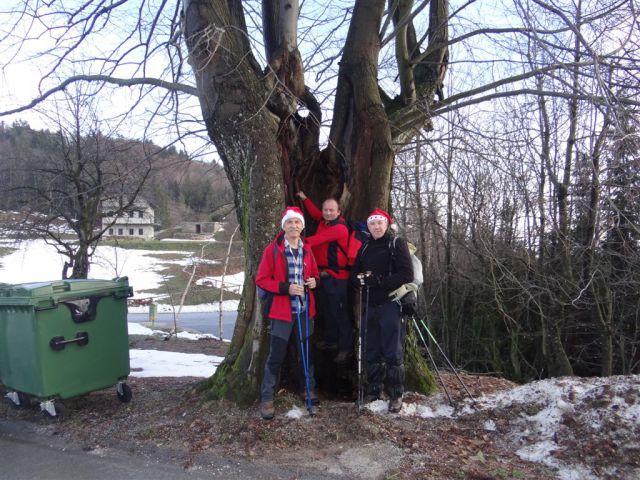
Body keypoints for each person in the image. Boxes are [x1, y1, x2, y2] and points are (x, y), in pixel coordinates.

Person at [256, 206, 320, 420]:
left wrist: (314, 281)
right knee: (276, 356)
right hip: (282, 312)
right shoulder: (273, 250)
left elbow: (315, 275)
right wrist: (286, 288)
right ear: (284, 226)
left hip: (304, 310)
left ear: (302, 226)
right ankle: (267, 397)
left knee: (306, 354)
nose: (294, 226)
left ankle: (308, 389)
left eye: (297, 223)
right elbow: (262, 280)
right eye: (290, 223)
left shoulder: (307, 250)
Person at [351, 208, 413, 413]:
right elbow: (354, 273)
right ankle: (374, 390)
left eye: (379, 223)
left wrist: (379, 281)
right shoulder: (366, 246)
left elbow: (406, 273)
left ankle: (396, 394)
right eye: (372, 224)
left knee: (392, 351)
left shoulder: (396, 243)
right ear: (368, 227)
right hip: (370, 304)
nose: (376, 227)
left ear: (386, 224)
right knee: (372, 349)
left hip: (390, 303)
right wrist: (361, 279)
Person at [296, 191, 353, 363]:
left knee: (340, 312)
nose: (328, 213)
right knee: (327, 310)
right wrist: (305, 198)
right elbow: (315, 213)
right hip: (324, 276)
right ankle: (331, 341)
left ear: (338, 212)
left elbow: (316, 240)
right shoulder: (324, 221)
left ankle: (345, 348)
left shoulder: (339, 228)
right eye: (325, 210)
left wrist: (294, 241)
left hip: (338, 277)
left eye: (331, 210)